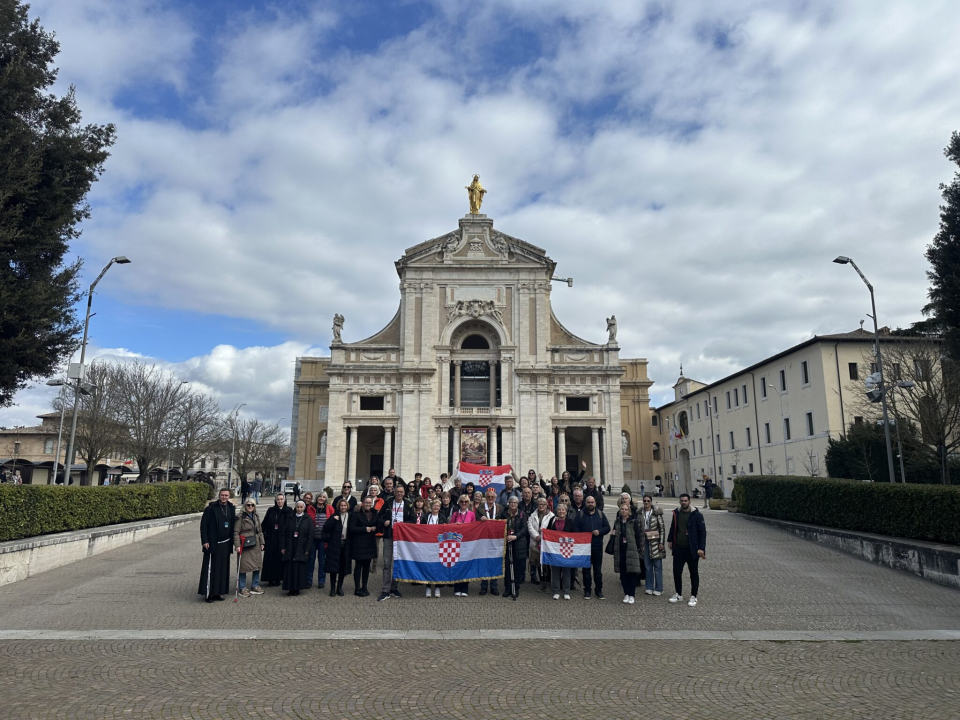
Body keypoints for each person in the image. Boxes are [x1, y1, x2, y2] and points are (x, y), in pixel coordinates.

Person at [668, 493, 707, 607]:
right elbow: (673, 527)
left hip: (692, 548)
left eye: (685, 500)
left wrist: (701, 548)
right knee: (676, 572)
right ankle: (678, 594)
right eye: (682, 500)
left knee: (693, 573)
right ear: (680, 502)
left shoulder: (697, 515)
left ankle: (693, 596)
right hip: (679, 547)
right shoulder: (676, 513)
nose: (684, 502)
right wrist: (670, 540)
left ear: (689, 501)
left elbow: (702, 533)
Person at [377, 483, 414, 602]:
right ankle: (385, 590)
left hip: (401, 538)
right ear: (394, 492)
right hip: (389, 535)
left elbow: (413, 520)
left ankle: (394, 587)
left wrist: (404, 525)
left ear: (404, 493)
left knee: (398, 563)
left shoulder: (408, 503)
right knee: (387, 563)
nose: (399, 494)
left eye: (401, 492)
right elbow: (379, 517)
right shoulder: (388, 502)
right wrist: (384, 522)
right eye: (397, 491)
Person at [198, 488, 236, 603]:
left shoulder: (231, 508)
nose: (224, 497)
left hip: (225, 543)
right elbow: (204, 526)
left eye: (226, 495)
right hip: (213, 543)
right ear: (219, 496)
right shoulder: (210, 509)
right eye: (222, 495)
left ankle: (218, 592)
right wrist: (205, 541)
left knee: (222, 569)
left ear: (229, 496)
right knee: (211, 569)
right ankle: (208, 593)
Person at [578, 495, 610, 600]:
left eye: (592, 502)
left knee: (597, 570)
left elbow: (607, 527)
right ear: (585, 503)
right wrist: (582, 534)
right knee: (586, 570)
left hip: (597, 546)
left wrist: (599, 532)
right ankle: (587, 590)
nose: (590, 504)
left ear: (595, 503)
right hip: (585, 547)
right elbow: (575, 527)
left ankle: (599, 590)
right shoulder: (581, 514)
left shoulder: (600, 514)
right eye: (588, 502)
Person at [613, 500, 644, 604]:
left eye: (626, 509)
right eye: (622, 509)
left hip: (631, 549)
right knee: (623, 573)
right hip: (620, 550)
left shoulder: (633, 521)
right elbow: (614, 534)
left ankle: (632, 594)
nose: (624, 511)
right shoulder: (617, 521)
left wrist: (639, 548)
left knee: (632, 572)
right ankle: (626, 593)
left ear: (629, 511)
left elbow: (639, 536)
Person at [233, 499, 265, 597]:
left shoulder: (256, 516)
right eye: (248, 505)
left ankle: (255, 585)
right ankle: (242, 587)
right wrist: (237, 545)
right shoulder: (240, 518)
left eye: (252, 505)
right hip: (245, 545)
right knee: (243, 567)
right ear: (245, 506)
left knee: (257, 565)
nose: (250, 507)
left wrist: (262, 542)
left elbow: (260, 530)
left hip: (255, 544)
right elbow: (236, 533)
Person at [498, 497, 528, 600]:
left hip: (518, 543)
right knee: (507, 566)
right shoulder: (503, 514)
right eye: (511, 502)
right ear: (508, 503)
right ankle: (507, 588)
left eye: (515, 502)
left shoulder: (522, 514)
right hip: (507, 543)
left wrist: (515, 536)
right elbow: (498, 524)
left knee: (517, 567)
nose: (513, 504)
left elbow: (525, 528)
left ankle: (516, 587)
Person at [321, 498, 352, 597]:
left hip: (346, 545)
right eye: (341, 505)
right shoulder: (334, 516)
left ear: (347, 506)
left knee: (343, 568)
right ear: (338, 506)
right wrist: (333, 521)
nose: (343, 507)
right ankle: (332, 588)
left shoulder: (350, 516)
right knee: (333, 568)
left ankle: (340, 587)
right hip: (335, 545)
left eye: (345, 505)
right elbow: (326, 528)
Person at [282, 501, 313, 596]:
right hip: (290, 545)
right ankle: (290, 588)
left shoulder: (308, 519)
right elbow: (284, 532)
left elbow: (310, 535)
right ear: (295, 508)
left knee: (299, 568)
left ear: (304, 508)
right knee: (290, 568)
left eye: (301, 507)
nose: (299, 509)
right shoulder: (290, 517)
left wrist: (307, 549)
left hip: (301, 546)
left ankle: (297, 589)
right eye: (298, 507)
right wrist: (282, 547)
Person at [349, 496, 379, 596]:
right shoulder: (356, 513)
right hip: (359, 543)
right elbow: (352, 528)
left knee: (366, 567)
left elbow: (378, 525)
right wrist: (364, 529)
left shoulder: (374, 513)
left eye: (370, 503)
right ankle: (357, 587)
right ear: (362, 503)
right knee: (358, 566)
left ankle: (364, 586)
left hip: (370, 543)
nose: (368, 504)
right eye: (366, 502)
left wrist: (376, 528)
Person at [261, 493, 292, 586]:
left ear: (285, 500)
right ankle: (270, 579)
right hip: (271, 538)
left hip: (282, 538)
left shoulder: (288, 510)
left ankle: (278, 578)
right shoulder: (271, 510)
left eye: (282, 499)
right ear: (275, 500)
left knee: (280, 559)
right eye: (278, 499)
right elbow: (264, 523)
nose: (280, 501)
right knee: (270, 558)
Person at [449, 494, 476, 596]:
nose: (464, 504)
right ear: (459, 503)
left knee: (466, 565)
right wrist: (455, 525)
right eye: (462, 502)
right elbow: (450, 526)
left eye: (466, 502)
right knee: (457, 565)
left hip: (467, 543)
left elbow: (474, 527)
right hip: (456, 543)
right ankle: (457, 587)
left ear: (469, 503)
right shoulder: (455, 514)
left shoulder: (472, 514)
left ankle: (465, 588)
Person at [477, 488, 502, 596]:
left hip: (496, 539)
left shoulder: (500, 508)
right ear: (485, 498)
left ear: (495, 497)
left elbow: (504, 521)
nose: (490, 498)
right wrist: (479, 519)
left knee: (494, 562)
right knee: (484, 562)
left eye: (492, 497)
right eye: (488, 497)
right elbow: (475, 521)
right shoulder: (480, 508)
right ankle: (483, 586)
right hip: (484, 540)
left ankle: (494, 586)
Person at [547, 504, 574, 600]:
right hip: (555, 550)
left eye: (563, 510)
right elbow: (548, 533)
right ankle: (556, 591)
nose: (561, 511)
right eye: (559, 510)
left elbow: (575, 535)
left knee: (566, 571)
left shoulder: (570, 521)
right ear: (556, 511)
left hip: (566, 550)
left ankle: (566, 591)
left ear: (566, 512)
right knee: (555, 571)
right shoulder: (552, 520)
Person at [640, 494, 666, 596]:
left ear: (651, 502)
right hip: (645, 540)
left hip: (655, 541)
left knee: (657, 566)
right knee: (647, 566)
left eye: (648, 501)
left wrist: (661, 542)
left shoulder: (656, 514)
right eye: (645, 501)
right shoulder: (640, 513)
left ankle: (659, 588)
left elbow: (662, 529)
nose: (646, 503)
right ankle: (649, 586)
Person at [527, 496, 554, 589]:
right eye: (539, 504)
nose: (541, 506)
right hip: (536, 542)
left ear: (546, 505)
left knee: (547, 564)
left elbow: (552, 529)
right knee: (538, 563)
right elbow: (530, 527)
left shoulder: (552, 516)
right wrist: (536, 536)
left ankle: (549, 581)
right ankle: (542, 582)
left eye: (543, 504)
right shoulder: (532, 515)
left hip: (546, 543)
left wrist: (543, 535)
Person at [308, 493, 333, 590]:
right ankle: (308, 580)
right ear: (317, 497)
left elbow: (332, 521)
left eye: (324, 497)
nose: (321, 499)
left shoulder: (329, 508)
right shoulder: (310, 508)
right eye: (320, 496)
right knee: (311, 560)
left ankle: (321, 581)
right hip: (312, 538)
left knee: (322, 560)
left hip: (323, 538)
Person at [424, 499, 445, 597]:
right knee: (428, 566)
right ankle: (428, 587)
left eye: (438, 506)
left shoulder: (442, 518)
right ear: (431, 507)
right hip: (428, 544)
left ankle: (437, 587)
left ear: (440, 508)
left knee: (438, 566)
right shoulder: (426, 517)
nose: (436, 507)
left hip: (439, 545)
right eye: (434, 506)